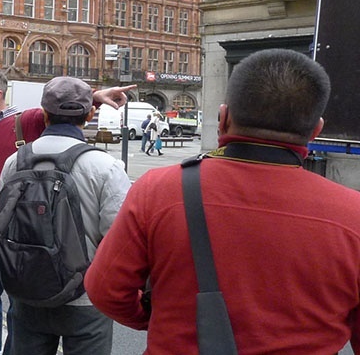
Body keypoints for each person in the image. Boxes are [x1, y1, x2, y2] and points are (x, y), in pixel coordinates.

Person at [85, 48, 360, 353]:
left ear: (223, 118)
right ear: (316, 130)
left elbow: (105, 289)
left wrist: (153, 318)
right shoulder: (353, 215)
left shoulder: (158, 190)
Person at [0, 67, 134, 355]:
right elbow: (120, 244)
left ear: (45, 115)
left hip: (30, 294)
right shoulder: (107, 167)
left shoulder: (15, 161)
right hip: (85, 299)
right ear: (89, 115)